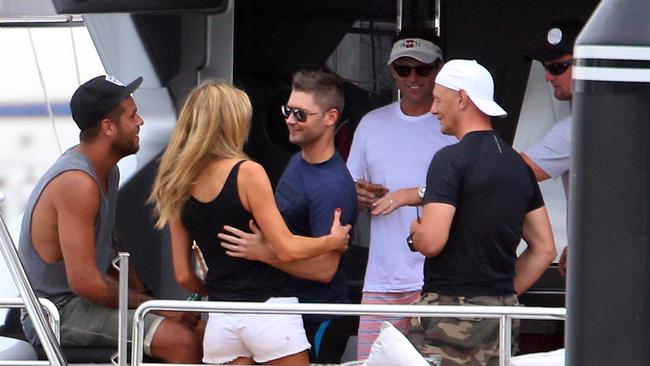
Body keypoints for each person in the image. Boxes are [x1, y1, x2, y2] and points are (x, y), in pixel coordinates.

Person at [149, 80, 351, 365]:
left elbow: (183, 275)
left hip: (222, 318)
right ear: (231, 123)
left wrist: (220, 292)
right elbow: (287, 248)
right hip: (270, 312)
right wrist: (332, 241)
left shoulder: (174, 182)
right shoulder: (247, 173)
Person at [18, 75, 204, 362]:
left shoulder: (107, 171)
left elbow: (111, 247)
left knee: (204, 332)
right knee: (181, 342)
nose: (140, 122)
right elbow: (85, 282)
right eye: (132, 116)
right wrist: (156, 307)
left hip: (82, 302)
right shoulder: (77, 182)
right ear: (108, 127)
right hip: (57, 313)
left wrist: (150, 298)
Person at [407, 59, 557, 365]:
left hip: (450, 313)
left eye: (438, 99)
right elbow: (544, 249)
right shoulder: (518, 165)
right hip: (501, 315)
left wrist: (415, 235)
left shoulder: (449, 160)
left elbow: (432, 241)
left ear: (462, 98)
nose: (433, 109)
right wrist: (501, 293)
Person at [217, 69, 358, 364]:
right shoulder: (297, 161)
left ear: (330, 118)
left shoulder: (332, 185)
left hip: (318, 316)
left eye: (301, 114)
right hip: (284, 312)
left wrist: (263, 253)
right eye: (288, 110)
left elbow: (325, 270)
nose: (290, 120)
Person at [346, 29, 457, 360]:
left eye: (422, 69)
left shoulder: (451, 126)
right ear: (392, 71)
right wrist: (358, 195)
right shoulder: (371, 123)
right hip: (381, 278)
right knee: (373, 362)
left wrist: (417, 194)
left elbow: (472, 190)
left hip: (437, 280)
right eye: (403, 69)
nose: (413, 77)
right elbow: (348, 188)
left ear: (438, 69)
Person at [521, 19, 584, 277]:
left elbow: (507, 174)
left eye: (557, 67)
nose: (548, 76)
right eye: (546, 67)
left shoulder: (581, 128)